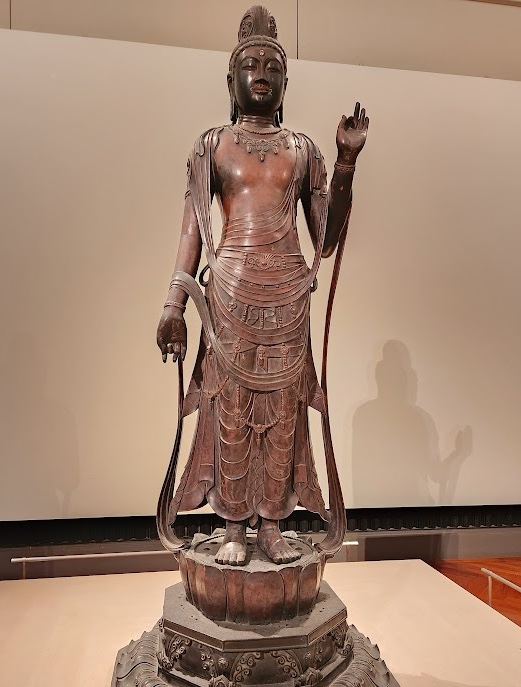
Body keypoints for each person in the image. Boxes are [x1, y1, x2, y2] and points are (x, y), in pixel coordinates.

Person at [156, 5, 368, 566]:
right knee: (229, 407)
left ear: (285, 84)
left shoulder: (304, 150)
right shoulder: (211, 146)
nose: (261, 75)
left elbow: (325, 239)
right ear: (231, 79)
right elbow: (192, 232)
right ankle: (231, 525)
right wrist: (174, 304)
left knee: (282, 413)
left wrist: (345, 164)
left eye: (272, 68)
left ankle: (272, 524)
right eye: (250, 65)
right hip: (229, 291)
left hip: (289, 294)